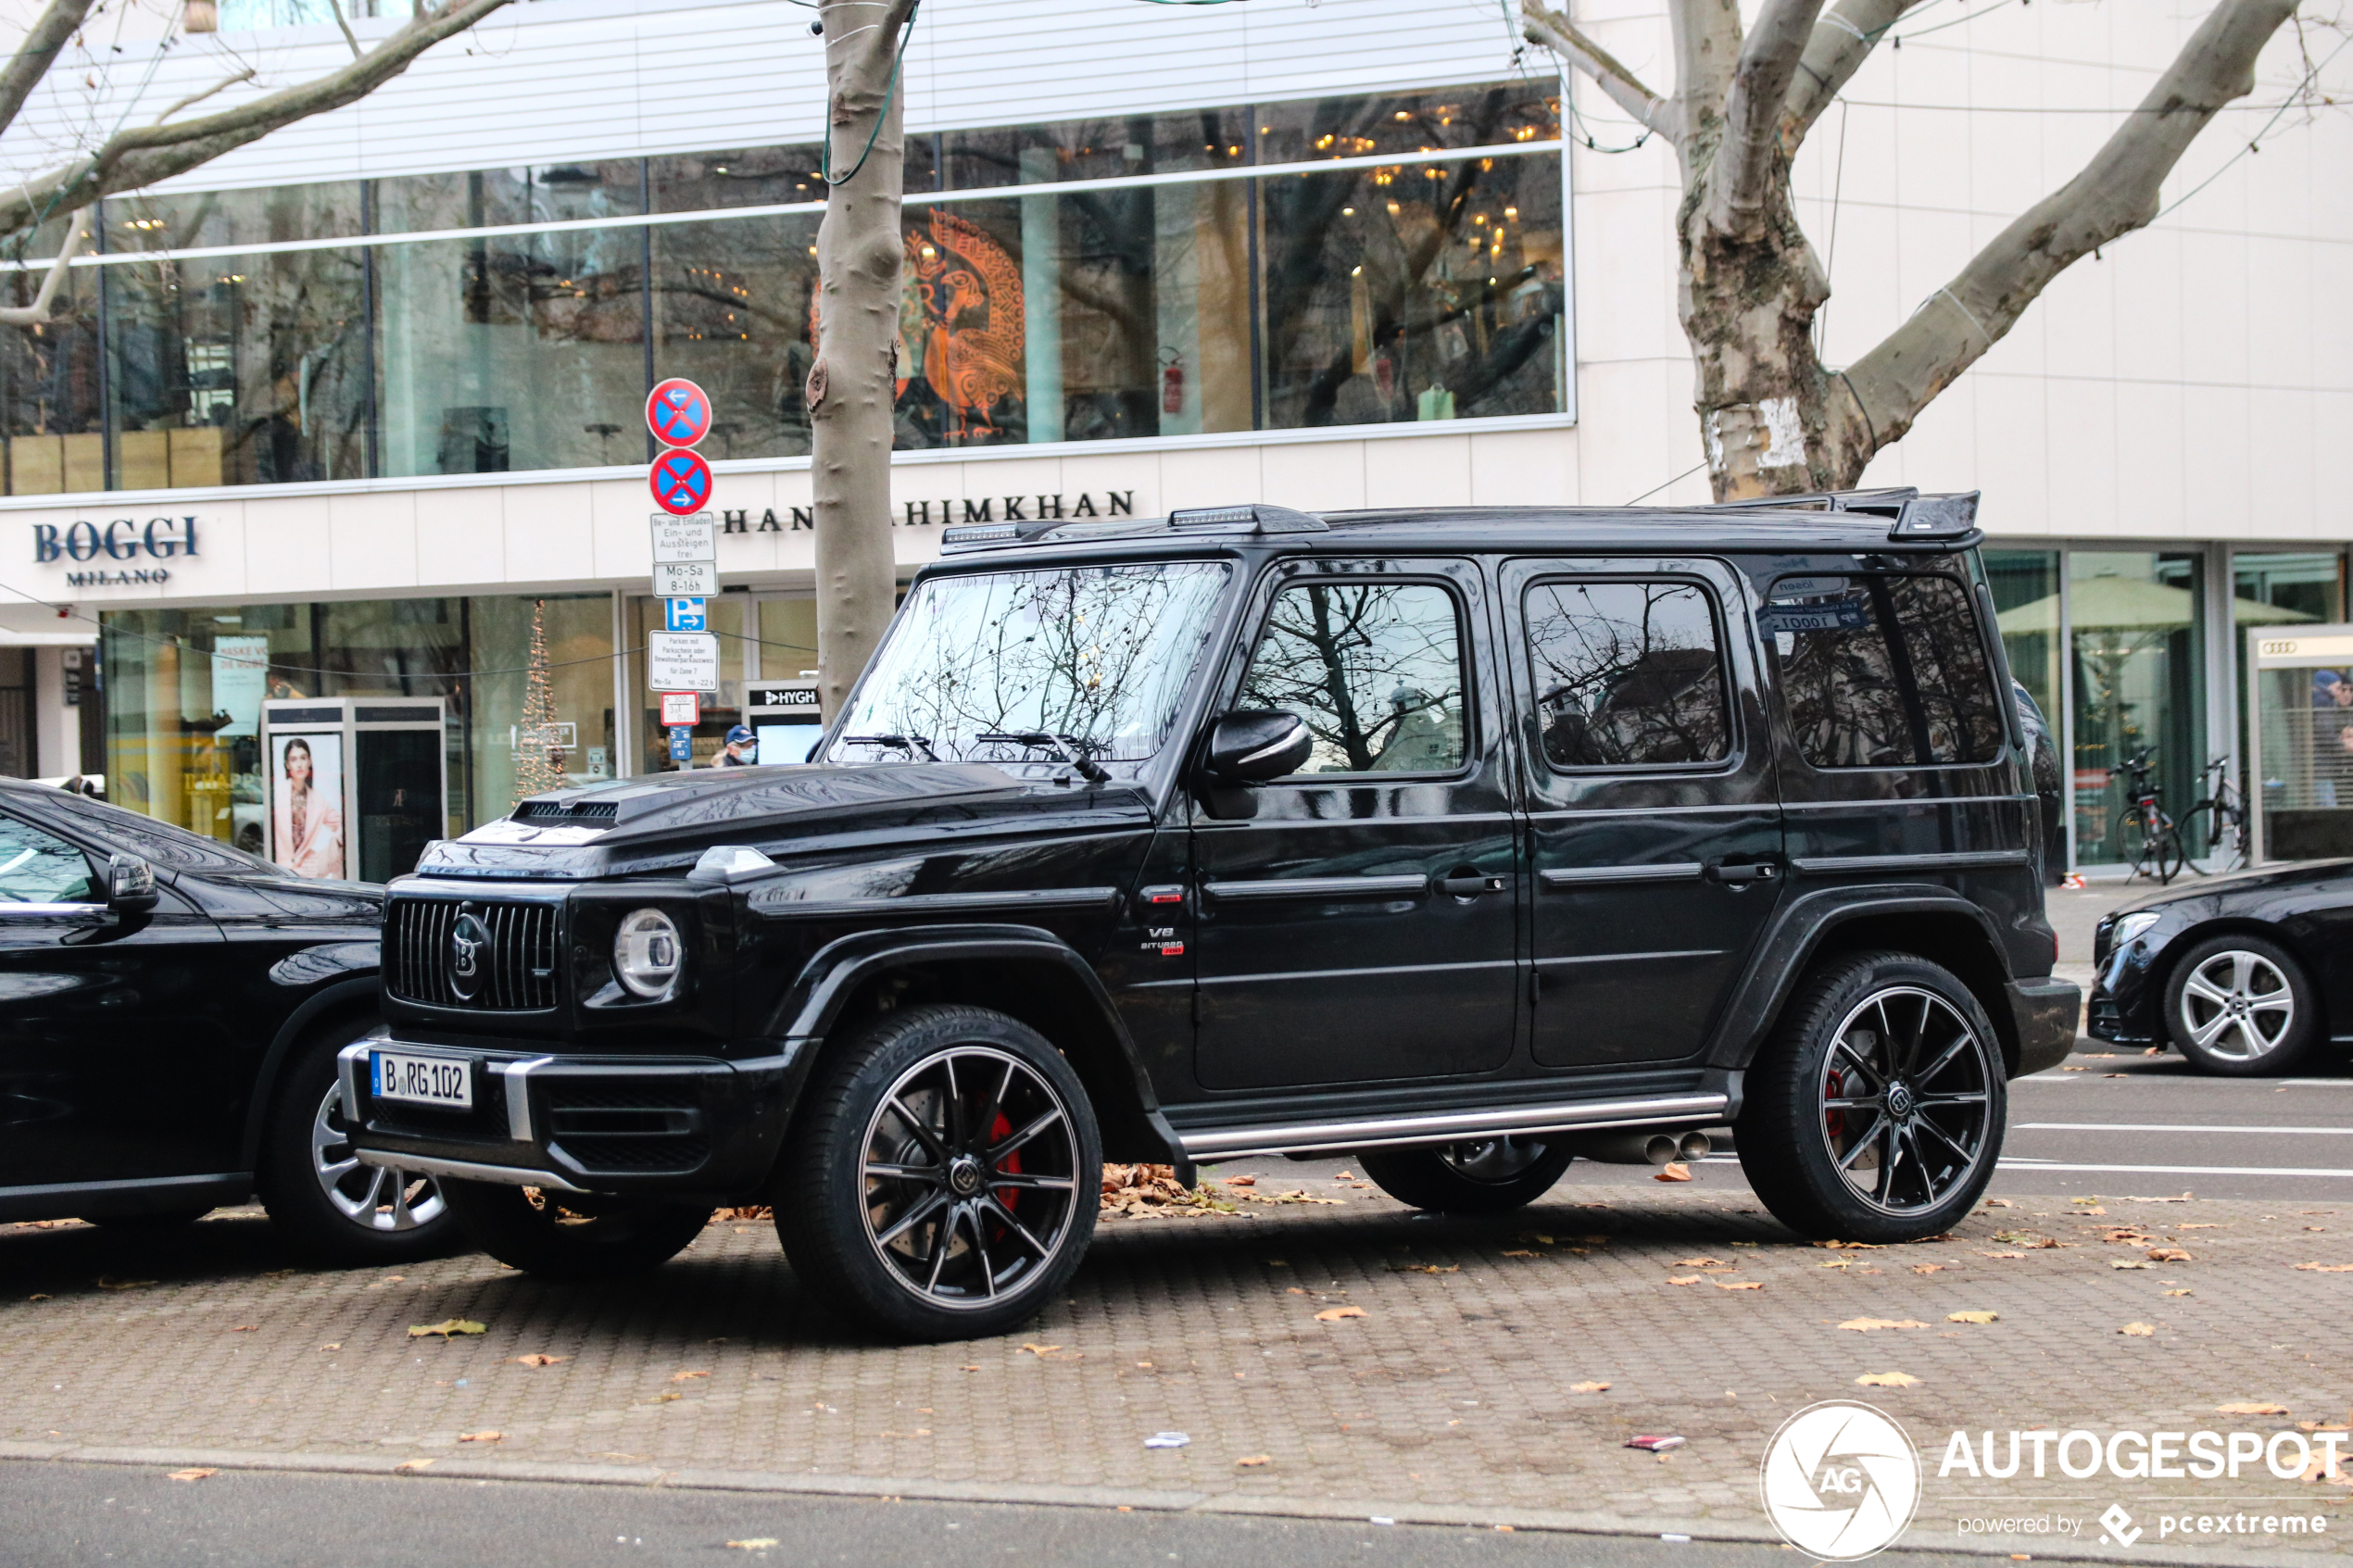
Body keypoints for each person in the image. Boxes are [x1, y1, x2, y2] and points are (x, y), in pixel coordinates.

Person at [274, 736, 344, 878]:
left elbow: (344, 826)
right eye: (293, 760)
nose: (299, 764)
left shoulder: (318, 798)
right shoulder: (276, 794)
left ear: (310, 761)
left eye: (303, 758)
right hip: (279, 869)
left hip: (307, 873)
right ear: (287, 765)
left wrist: (317, 858)